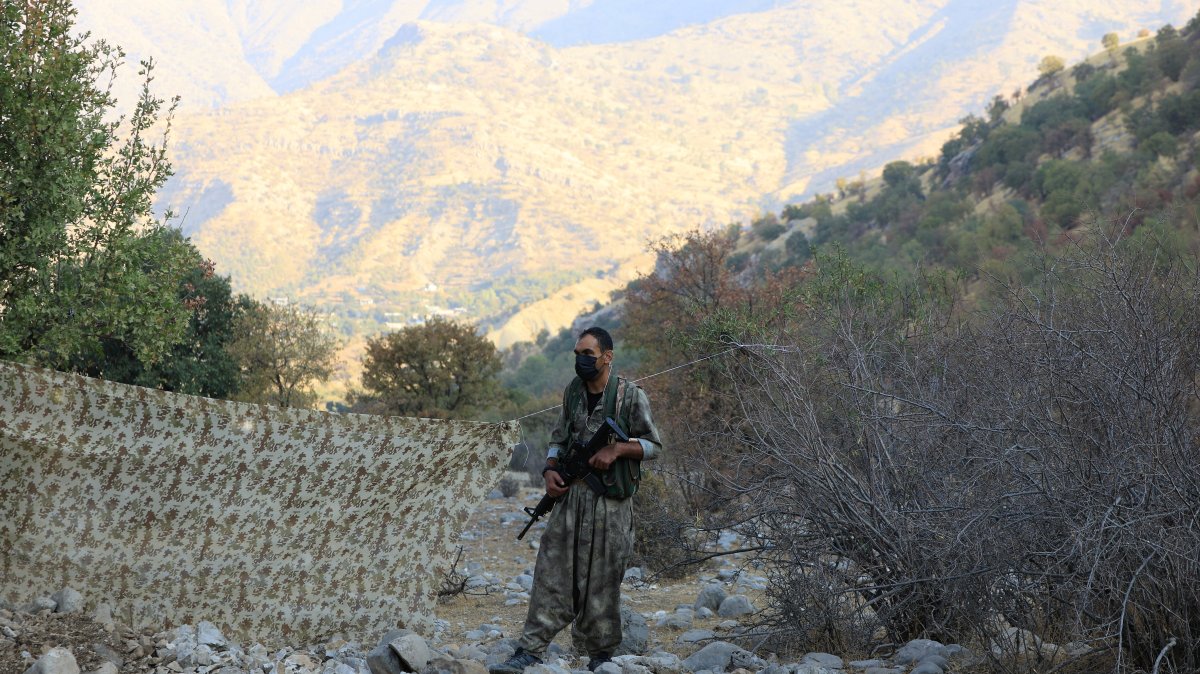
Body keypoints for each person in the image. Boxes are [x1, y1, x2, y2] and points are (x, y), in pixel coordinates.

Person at [491, 327, 663, 674]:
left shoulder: (630, 396)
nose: (581, 360)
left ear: (607, 356)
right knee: (551, 572)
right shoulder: (573, 392)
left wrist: (616, 449)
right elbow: (558, 439)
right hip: (571, 500)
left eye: (588, 353)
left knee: (603, 579)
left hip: (610, 505)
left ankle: (600, 656)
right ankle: (531, 649)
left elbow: (653, 446)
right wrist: (550, 471)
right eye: (577, 354)